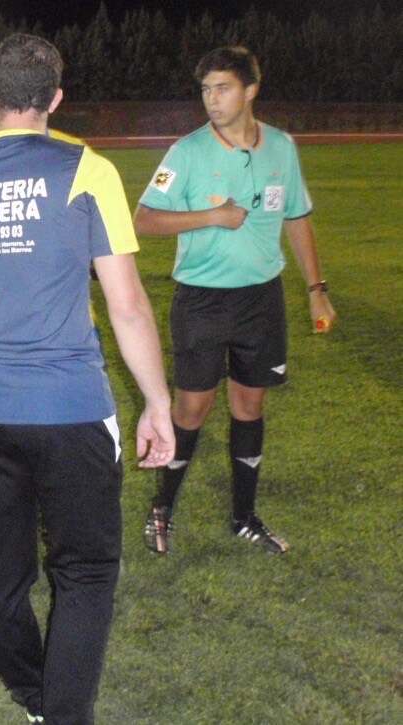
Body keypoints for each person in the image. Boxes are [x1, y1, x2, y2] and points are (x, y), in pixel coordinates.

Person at [0, 34, 174, 724]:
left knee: (1, 581)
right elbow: (125, 304)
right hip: (68, 406)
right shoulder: (86, 169)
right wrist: (157, 401)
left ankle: (37, 697)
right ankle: (62, 711)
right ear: (56, 100)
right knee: (86, 571)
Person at [135, 46, 337, 555]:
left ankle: (245, 517)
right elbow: (144, 219)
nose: (211, 99)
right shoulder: (185, 152)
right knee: (193, 409)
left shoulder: (282, 149)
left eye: (222, 88)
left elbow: (297, 217)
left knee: (250, 405)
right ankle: (164, 509)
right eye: (205, 90)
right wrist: (210, 216)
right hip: (201, 302)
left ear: (250, 90)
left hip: (261, 302)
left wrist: (317, 292)